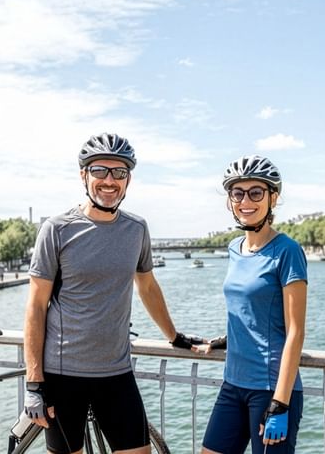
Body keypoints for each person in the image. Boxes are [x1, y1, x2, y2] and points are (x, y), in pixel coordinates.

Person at [23, 132, 199, 454]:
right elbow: (36, 306)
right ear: (83, 175)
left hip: (116, 372)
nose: (109, 180)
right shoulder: (57, 229)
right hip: (63, 375)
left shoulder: (137, 228)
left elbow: (147, 286)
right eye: (99, 171)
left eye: (119, 172)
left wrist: (175, 337)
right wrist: (34, 383)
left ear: (128, 179)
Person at [200, 155, 308, 454]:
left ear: (273, 198)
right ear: (229, 200)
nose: (246, 200)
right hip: (233, 383)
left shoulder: (288, 251)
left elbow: (295, 332)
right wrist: (227, 340)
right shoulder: (235, 247)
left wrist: (280, 402)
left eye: (256, 192)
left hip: (270, 388)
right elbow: (248, 307)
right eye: (238, 193)